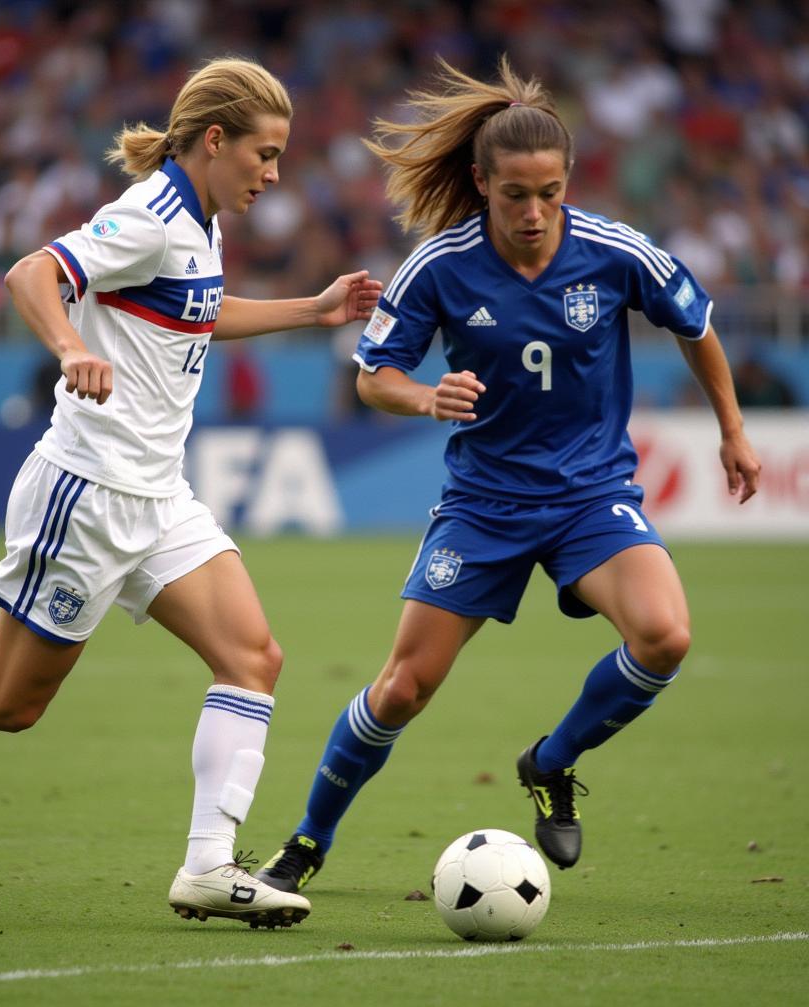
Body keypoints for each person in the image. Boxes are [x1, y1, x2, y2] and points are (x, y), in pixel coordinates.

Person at [0, 57, 382, 929]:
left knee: (254, 658)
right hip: (89, 495)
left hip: (158, 496)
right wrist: (70, 347)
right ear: (215, 141)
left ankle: (209, 868)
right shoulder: (149, 213)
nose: (275, 172)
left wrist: (313, 309)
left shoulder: (201, 224)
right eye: (266, 152)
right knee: (6, 702)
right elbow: (32, 274)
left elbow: (197, 309)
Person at [255, 57, 761, 894]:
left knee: (666, 636)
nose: (534, 212)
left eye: (550, 192)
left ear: (568, 182)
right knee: (402, 688)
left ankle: (552, 761)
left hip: (591, 497)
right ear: (481, 182)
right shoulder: (440, 266)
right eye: (514, 194)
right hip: (483, 506)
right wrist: (426, 397)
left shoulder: (613, 252)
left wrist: (733, 431)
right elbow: (373, 376)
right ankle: (307, 843)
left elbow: (697, 323)